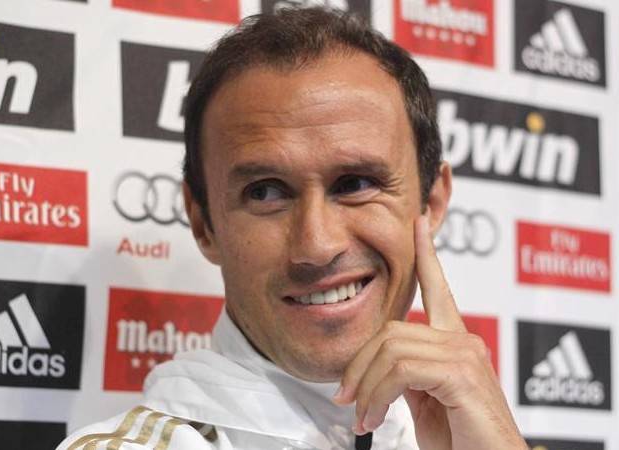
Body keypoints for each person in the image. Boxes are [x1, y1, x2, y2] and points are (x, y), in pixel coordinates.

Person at [58, 7, 527, 450]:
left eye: (355, 184)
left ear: (432, 202)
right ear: (203, 224)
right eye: (265, 192)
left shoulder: (465, 432)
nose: (317, 245)